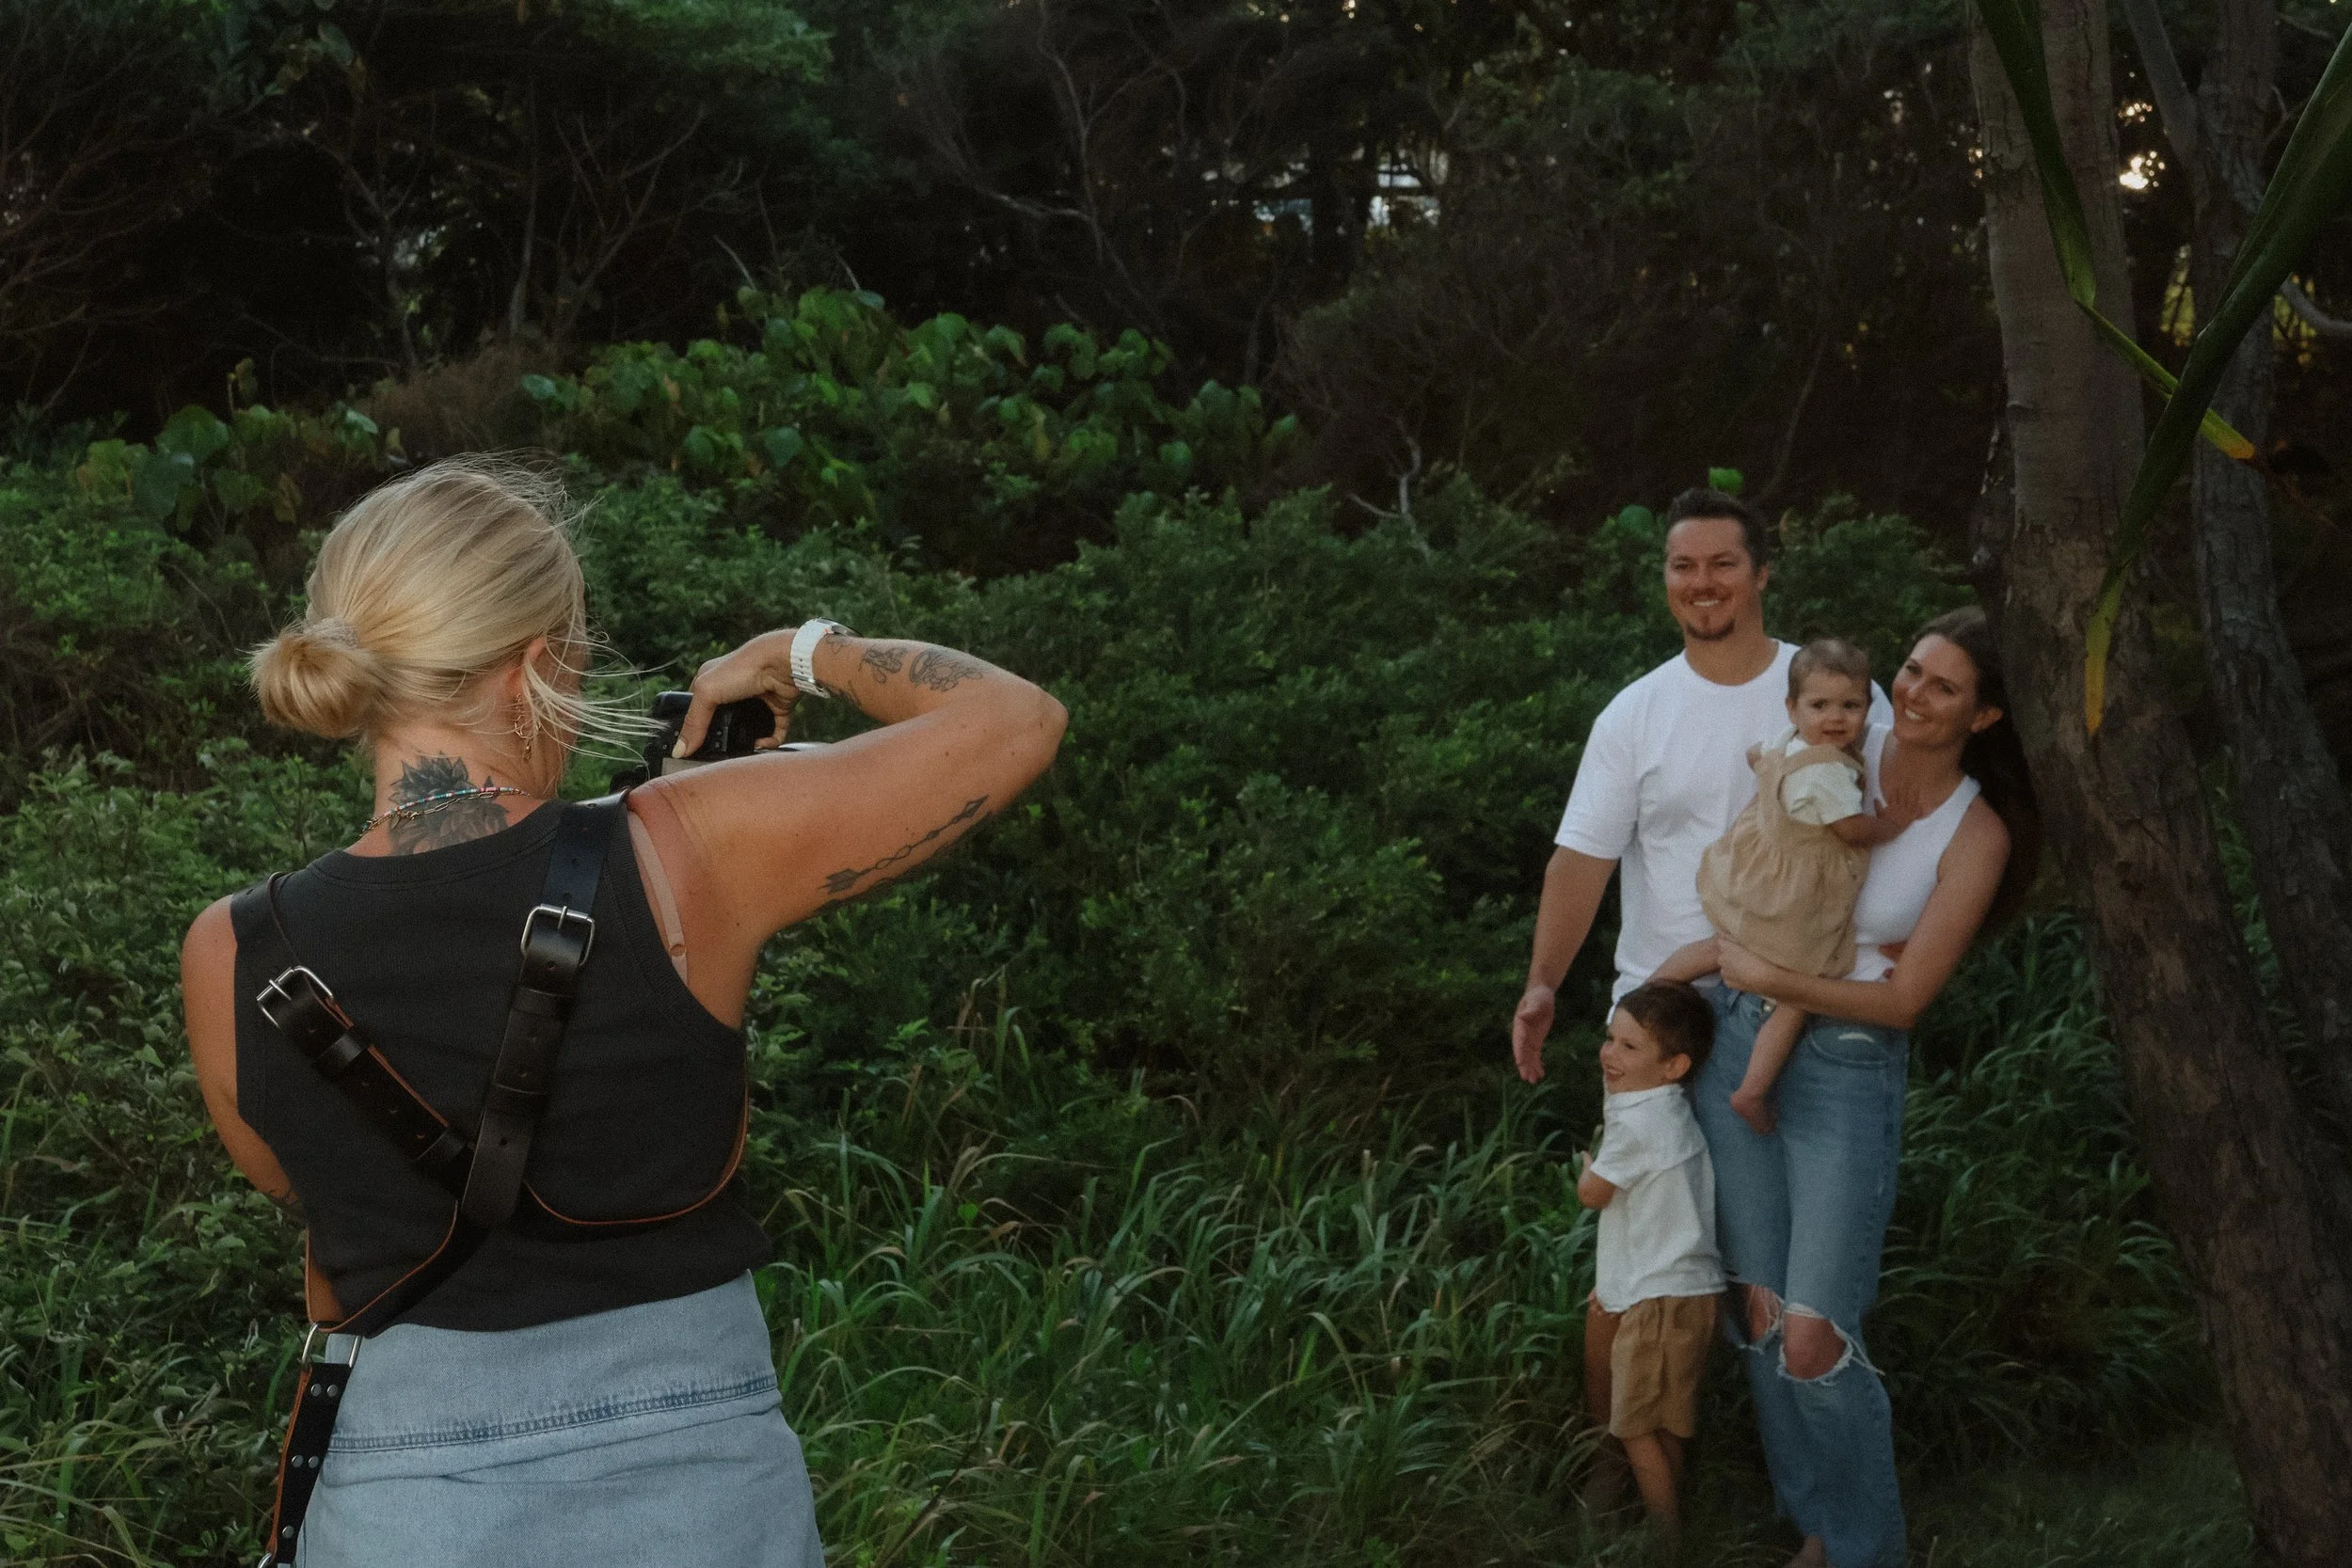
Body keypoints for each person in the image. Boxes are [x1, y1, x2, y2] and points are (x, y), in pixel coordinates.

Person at [179, 457, 1067, 1566]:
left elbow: (306, 1192)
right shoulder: (686, 846)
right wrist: (797, 650)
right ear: (538, 663)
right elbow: (1013, 720)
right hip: (695, 1478)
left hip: (407, 1494)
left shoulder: (233, 948)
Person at [1692, 606, 2041, 1568]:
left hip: (1844, 1065)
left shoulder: (1978, 833)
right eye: (1915, 672)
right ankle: (1816, 1530)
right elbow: (1763, 833)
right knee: (1761, 1315)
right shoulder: (1842, 731)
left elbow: (1906, 1000)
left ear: (1984, 717)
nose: (1914, 695)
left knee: (1814, 1335)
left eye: (1944, 686)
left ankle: (1867, 1549)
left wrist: (1775, 976)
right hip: (1738, 1040)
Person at [1511, 486, 1886, 1082]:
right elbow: (1582, 862)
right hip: (1665, 1015)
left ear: (1761, 574)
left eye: (1723, 564)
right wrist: (1542, 985)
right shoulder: (1633, 714)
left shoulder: (1836, 693)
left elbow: (1897, 831)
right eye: (1683, 566)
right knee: (1649, 1178)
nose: (1701, 582)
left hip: (1809, 998)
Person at [1651, 639, 1917, 1134]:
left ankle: (1650, 994)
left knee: (1718, 946)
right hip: (1793, 900)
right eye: (1820, 705)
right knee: (1801, 989)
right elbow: (1851, 831)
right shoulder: (1828, 772)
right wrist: (1893, 823)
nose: (1836, 718)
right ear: (1792, 706)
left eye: (1851, 706)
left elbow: (1757, 756)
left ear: (1866, 708)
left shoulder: (1784, 741)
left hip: (1753, 877)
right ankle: (1752, 1091)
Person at [1576, 980, 1724, 1560]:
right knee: (1662, 1421)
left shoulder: (1637, 1124)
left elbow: (1594, 1195)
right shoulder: (1673, 1109)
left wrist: (1589, 1166)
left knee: (1632, 1423)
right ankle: (1659, 1521)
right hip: (1679, 1288)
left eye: (1630, 1047)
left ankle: (1666, 1541)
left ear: (1673, 1066)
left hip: (1659, 1297)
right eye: (1610, 1039)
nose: (1610, 1055)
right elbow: (1649, 1218)